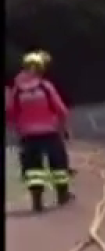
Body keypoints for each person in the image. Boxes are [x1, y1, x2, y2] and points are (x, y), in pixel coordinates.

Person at [6, 51, 73, 212]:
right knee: (58, 164)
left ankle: (37, 200)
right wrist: (64, 128)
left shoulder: (17, 90)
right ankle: (62, 195)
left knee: (32, 169)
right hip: (49, 132)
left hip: (28, 135)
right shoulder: (45, 86)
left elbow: (9, 112)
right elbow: (61, 109)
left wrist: (15, 129)